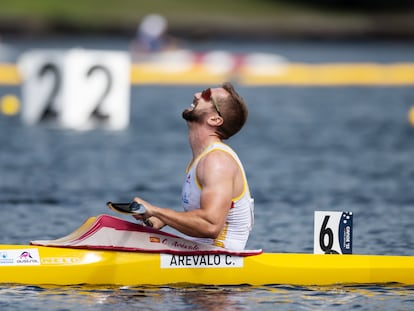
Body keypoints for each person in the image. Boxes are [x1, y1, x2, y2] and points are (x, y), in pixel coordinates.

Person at [133, 82, 254, 250]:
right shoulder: (204, 159)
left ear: (215, 119)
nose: (197, 94)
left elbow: (210, 225)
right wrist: (164, 220)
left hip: (219, 263)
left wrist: (156, 211)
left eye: (205, 96)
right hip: (201, 255)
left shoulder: (217, 161)